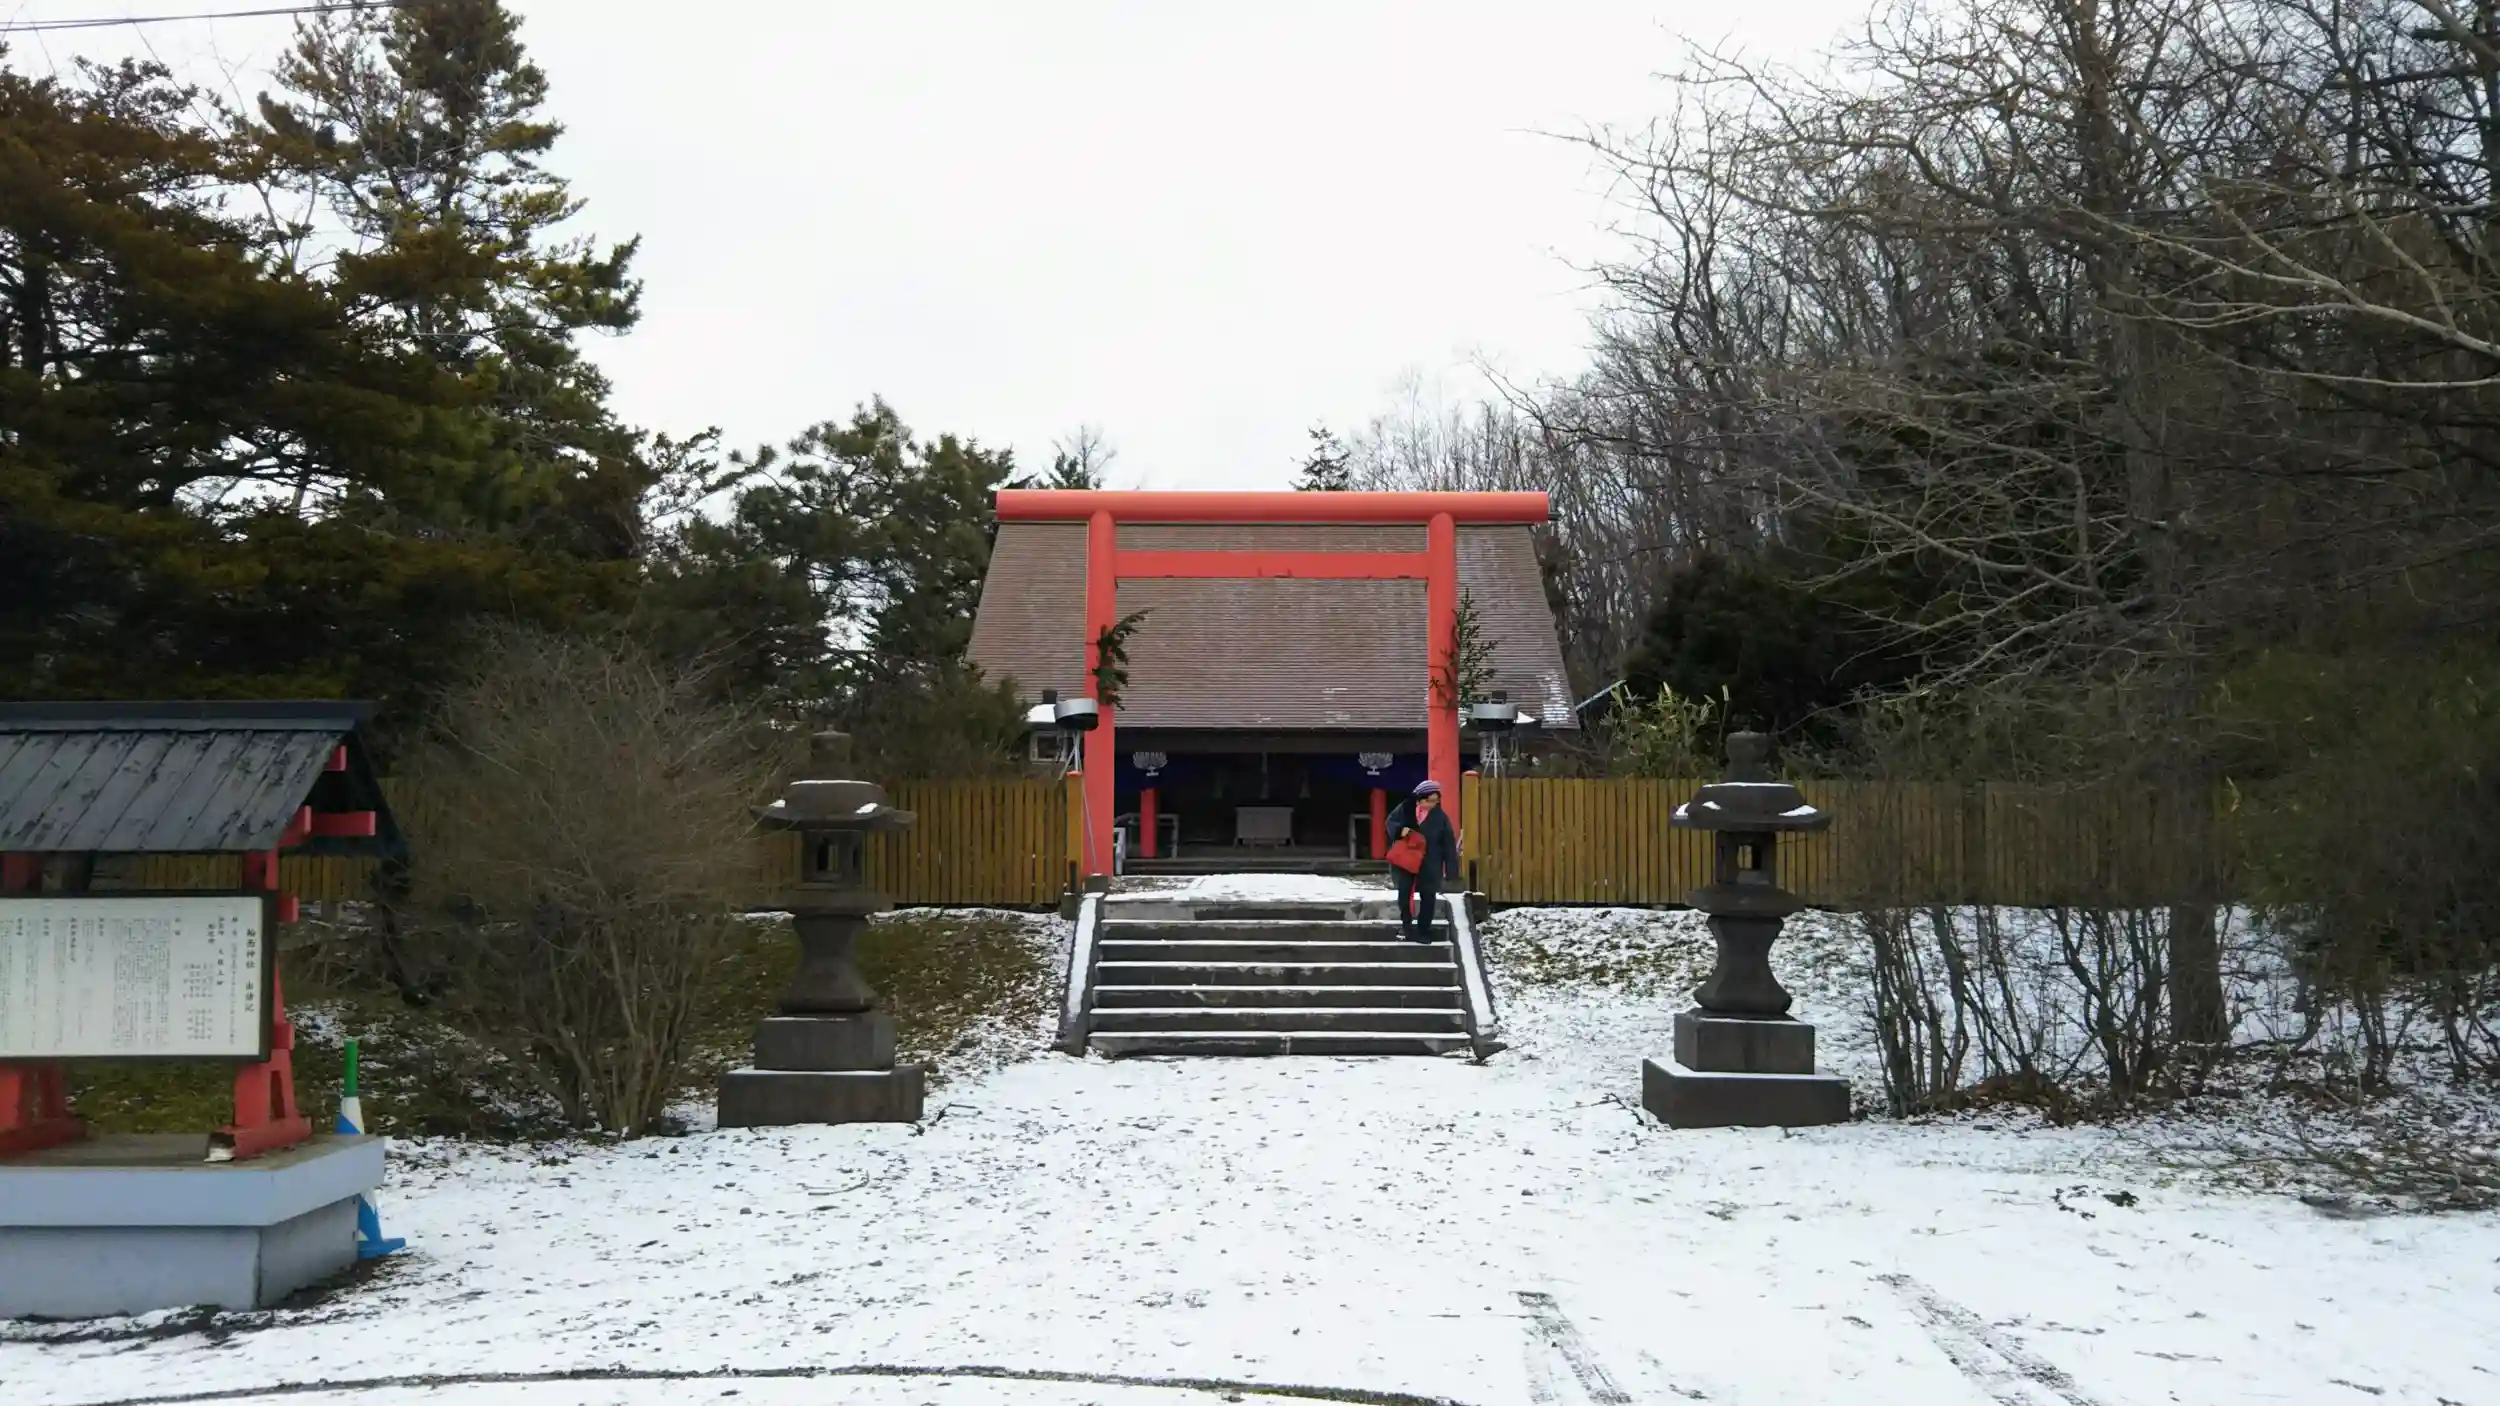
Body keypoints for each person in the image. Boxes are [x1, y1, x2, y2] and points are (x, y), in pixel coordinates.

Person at [1384, 779, 1460, 941]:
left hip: (1430, 861)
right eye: (1429, 800)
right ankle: (1407, 927)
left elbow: (1448, 843)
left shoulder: (1440, 817)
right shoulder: (1405, 808)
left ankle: (1424, 930)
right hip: (1406, 860)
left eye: (1435, 801)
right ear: (1420, 798)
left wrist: (1451, 869)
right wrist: (1399, 831)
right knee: (1404, 893)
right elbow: (1390, 822)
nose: (1432, 804)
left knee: (1428, 895)